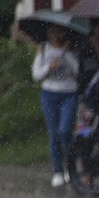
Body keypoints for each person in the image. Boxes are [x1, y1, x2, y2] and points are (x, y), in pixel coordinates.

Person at [32, 23, 81, 187]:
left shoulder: (71, 50)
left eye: (59, 31)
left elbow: (77, 71)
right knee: (54, 134)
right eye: (53, 31)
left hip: (69, 93)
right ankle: (58, 170)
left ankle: (71, 165)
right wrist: (48, 67)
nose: (56, 35)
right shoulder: (43, 49)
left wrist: (66, 55)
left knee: (65, 131)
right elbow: (36, 75)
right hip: (49, 94)